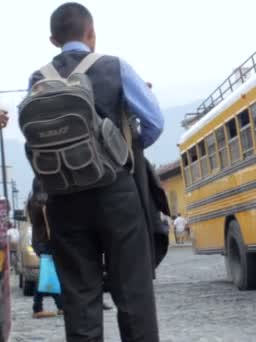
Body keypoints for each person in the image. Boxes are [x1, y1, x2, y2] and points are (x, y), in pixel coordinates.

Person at [26, 3, 163, 341]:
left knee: (80, 301)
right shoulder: (114, 67)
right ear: (92, 34)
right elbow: (155, 124)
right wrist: (124, 149)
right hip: (116, 191)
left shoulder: (38, 78)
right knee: (134, 295)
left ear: (52, 39)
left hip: (63, 198)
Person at [26, 182, 64, 319]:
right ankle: (38, 307)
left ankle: (60, 305)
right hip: (47, 242)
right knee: (47, 274)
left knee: (49, 273)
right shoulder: (43, 203)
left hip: (38, 241)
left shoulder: (32, 201)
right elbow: (50, 224)